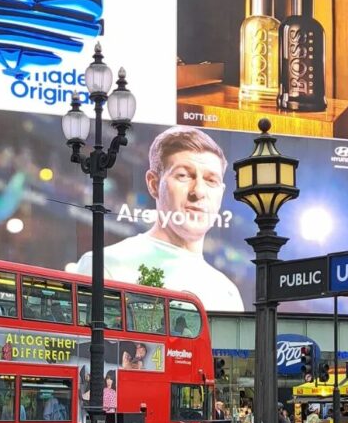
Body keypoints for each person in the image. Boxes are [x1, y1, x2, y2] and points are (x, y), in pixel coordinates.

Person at [73, 126, 244, 311]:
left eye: (211, 180)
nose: (199, 192)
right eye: (184, 176)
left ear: (222, 193)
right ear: (154, 184)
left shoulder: (228, 293)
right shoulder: (105, 266)